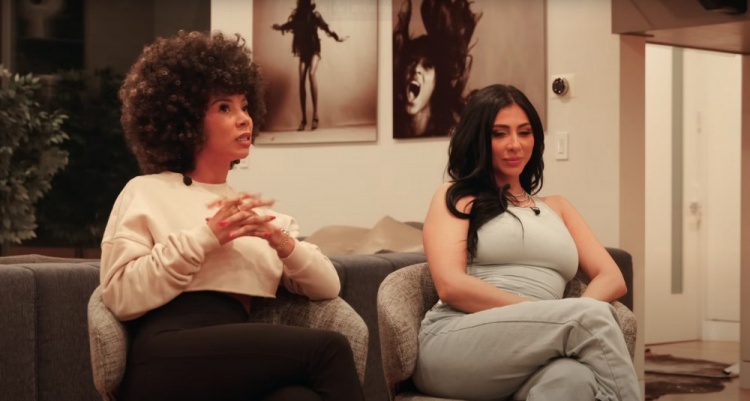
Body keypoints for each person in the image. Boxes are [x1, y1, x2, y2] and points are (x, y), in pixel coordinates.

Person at [100, 30, 365, 401]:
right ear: (186, 121)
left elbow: (328, 287)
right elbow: (119, 294)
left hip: (234, 356)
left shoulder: (255, 213)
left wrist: (278, 240)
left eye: (245, 106)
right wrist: (206, 237)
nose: (244, 120)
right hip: (165, 354)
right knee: (329, 349)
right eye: (224, 108)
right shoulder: (146, 191)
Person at [414, 84, 641, 400]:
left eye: (525, 132)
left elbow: (612, 277)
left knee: (573, 378)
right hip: (457, 340)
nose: (515, 144)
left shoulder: (558, 207)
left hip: (537, 344)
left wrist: (561, 318)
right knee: (592, 318)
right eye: (499, 134)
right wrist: (555, 315)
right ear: (477, 139)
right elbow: (451, 285)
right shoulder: (456, 197)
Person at [392, 0, 480, 138]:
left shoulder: (451, 135)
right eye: (412, 61)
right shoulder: (391, 128)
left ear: (436, 82)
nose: (416, 69)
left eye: (427, 66)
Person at [272, 0, 348, 131]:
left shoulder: (315, 16)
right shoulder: (297, 17)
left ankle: (315, 116)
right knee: (301, 81)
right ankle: (304, 119)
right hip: (303, 52)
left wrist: (337, 38)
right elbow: (289, 25)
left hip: (314, 50)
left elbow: (326, 28)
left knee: (311, 74)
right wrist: (279, 27)